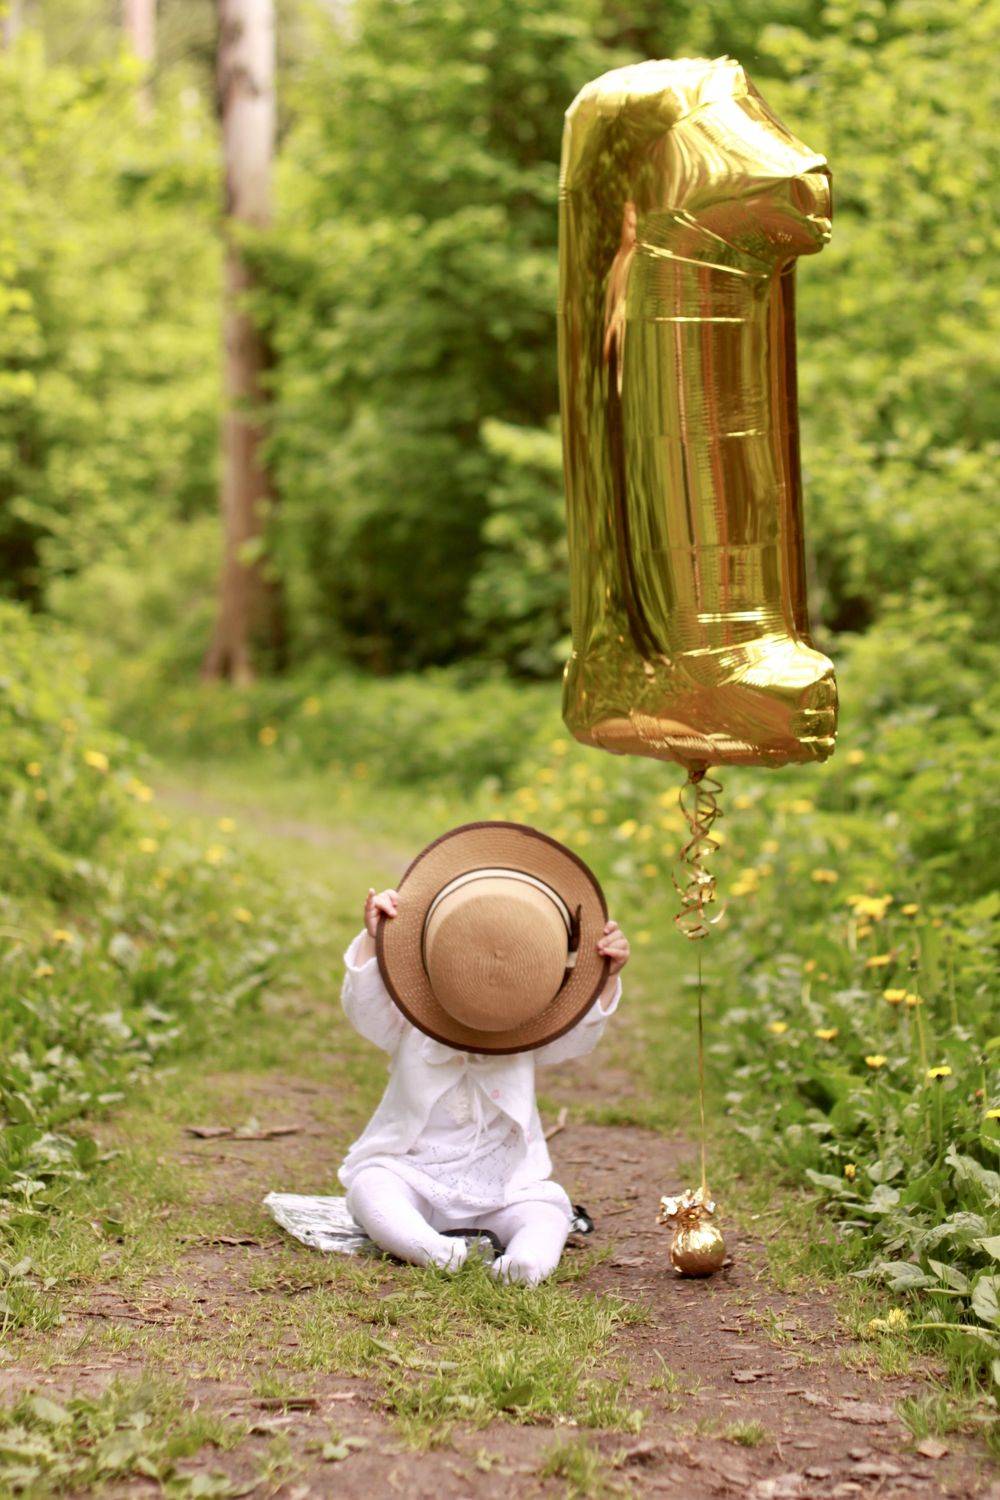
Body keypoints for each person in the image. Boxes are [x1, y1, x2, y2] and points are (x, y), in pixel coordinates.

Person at [337, 821, 629, 1286]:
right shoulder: (412, 1020)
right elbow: (365, 1008)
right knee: (371, 1188)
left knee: (546, 1208)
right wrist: (375, 939)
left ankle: (526, 1261)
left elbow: (576, 1038)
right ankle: (433, 1249)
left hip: (503, 1185)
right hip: (411, 1169)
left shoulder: (527, 1026)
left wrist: (604, 977)